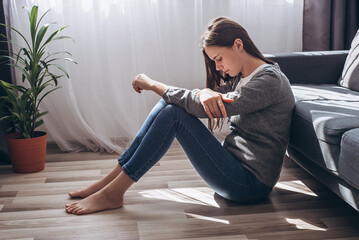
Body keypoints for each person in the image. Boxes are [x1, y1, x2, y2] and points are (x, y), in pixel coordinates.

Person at [65, 17, 295, 215]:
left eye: (218, 59)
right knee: (169, 103)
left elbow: (201, 108)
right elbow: (204, 99)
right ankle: (111, 181)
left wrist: (152, 84)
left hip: (249, 184)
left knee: (173, 114)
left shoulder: (269, 82)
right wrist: (205, 92)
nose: (217, 68)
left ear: (238, 45)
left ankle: (114, 193)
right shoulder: (244, 76)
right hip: (233, 168)